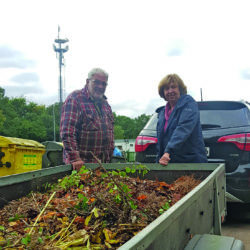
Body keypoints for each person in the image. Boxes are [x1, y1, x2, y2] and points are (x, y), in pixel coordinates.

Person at [60, 68, 114, 170]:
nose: (100, 86)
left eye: (104, 84)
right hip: (80, 167)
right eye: (96, 82)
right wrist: (75, 159)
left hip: (102, 166)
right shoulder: (75, 99)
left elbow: (110, 133)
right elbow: (67, 132)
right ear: (87, 81)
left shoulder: (106, 105)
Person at [156, 73, 207, 166]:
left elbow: (183, 129)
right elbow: (161, 141)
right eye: (167, 89)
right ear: (163, 92)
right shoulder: (162, 113)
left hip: (191, 163)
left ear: (180, 89)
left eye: (173, 87)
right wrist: (159, 159)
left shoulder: (189, 104)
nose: (170, 91)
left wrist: (168, 151)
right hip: (171, 164)